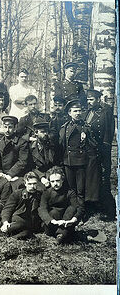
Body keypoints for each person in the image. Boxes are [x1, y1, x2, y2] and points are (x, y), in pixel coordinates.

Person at [84, 89, 115, 220]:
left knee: (104, 179)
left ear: (98, 99)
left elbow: (109, 131)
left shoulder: (106, 111)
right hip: (91, 150)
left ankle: (110, 210)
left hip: (102, 150)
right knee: (93, 179)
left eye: (91, 100)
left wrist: (105, 148)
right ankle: (94, 205)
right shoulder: (89, 112)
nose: (89, 102)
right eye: (88, 100)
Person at [59, 99, 92, 218]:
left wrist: (86, 136)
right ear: (69, 113)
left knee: (81, 189)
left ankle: (81, 213)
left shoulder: (85, 127)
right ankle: (73, 210)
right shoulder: (65, 127)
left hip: (81, 162)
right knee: (71, 188)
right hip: (68, 161)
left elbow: (92, 145)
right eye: (75, 111)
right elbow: (61, 144)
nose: (78, 113)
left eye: (79, 111)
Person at [38, 166, 85, 244]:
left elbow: (78, 207)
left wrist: (73, 220)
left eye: (57, 181)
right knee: (54, 212)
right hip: (52, 223)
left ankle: (61, 235)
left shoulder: (69, 192)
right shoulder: (46, 192)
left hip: (66, 220)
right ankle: (63, 234)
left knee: (71, 208)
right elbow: (42, 209)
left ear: (62, 180)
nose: (55, 184)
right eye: (52, 181)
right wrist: (52, 221)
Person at [0, 171, 42, 239]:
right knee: (20, 224)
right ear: (25, 183)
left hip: (31, 222)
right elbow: (8, 209)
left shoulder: (40, 194)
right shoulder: (17, 194)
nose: (32, 186)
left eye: (34, 184)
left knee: (27, 232)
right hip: (17, 220)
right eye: (29, 184)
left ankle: (10, 236)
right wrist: (5, 222)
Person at [0, 115, 29, 187]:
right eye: (5, 127)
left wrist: (10, 174)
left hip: (16, 174)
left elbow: (22, 162)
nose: (7, 130)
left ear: (15, 128)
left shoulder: (22, 142)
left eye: (10, 127)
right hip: (2, 174)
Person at [28, 121, 57, 190]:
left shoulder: (53, 146)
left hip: (52, 175)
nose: (46, 134)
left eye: (47, 132)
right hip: (37, 175)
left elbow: (57, 164)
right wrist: (42, 177)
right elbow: (31, 166)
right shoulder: (30, 147)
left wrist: (51, 176)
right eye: (42, 132)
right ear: (36, 133)